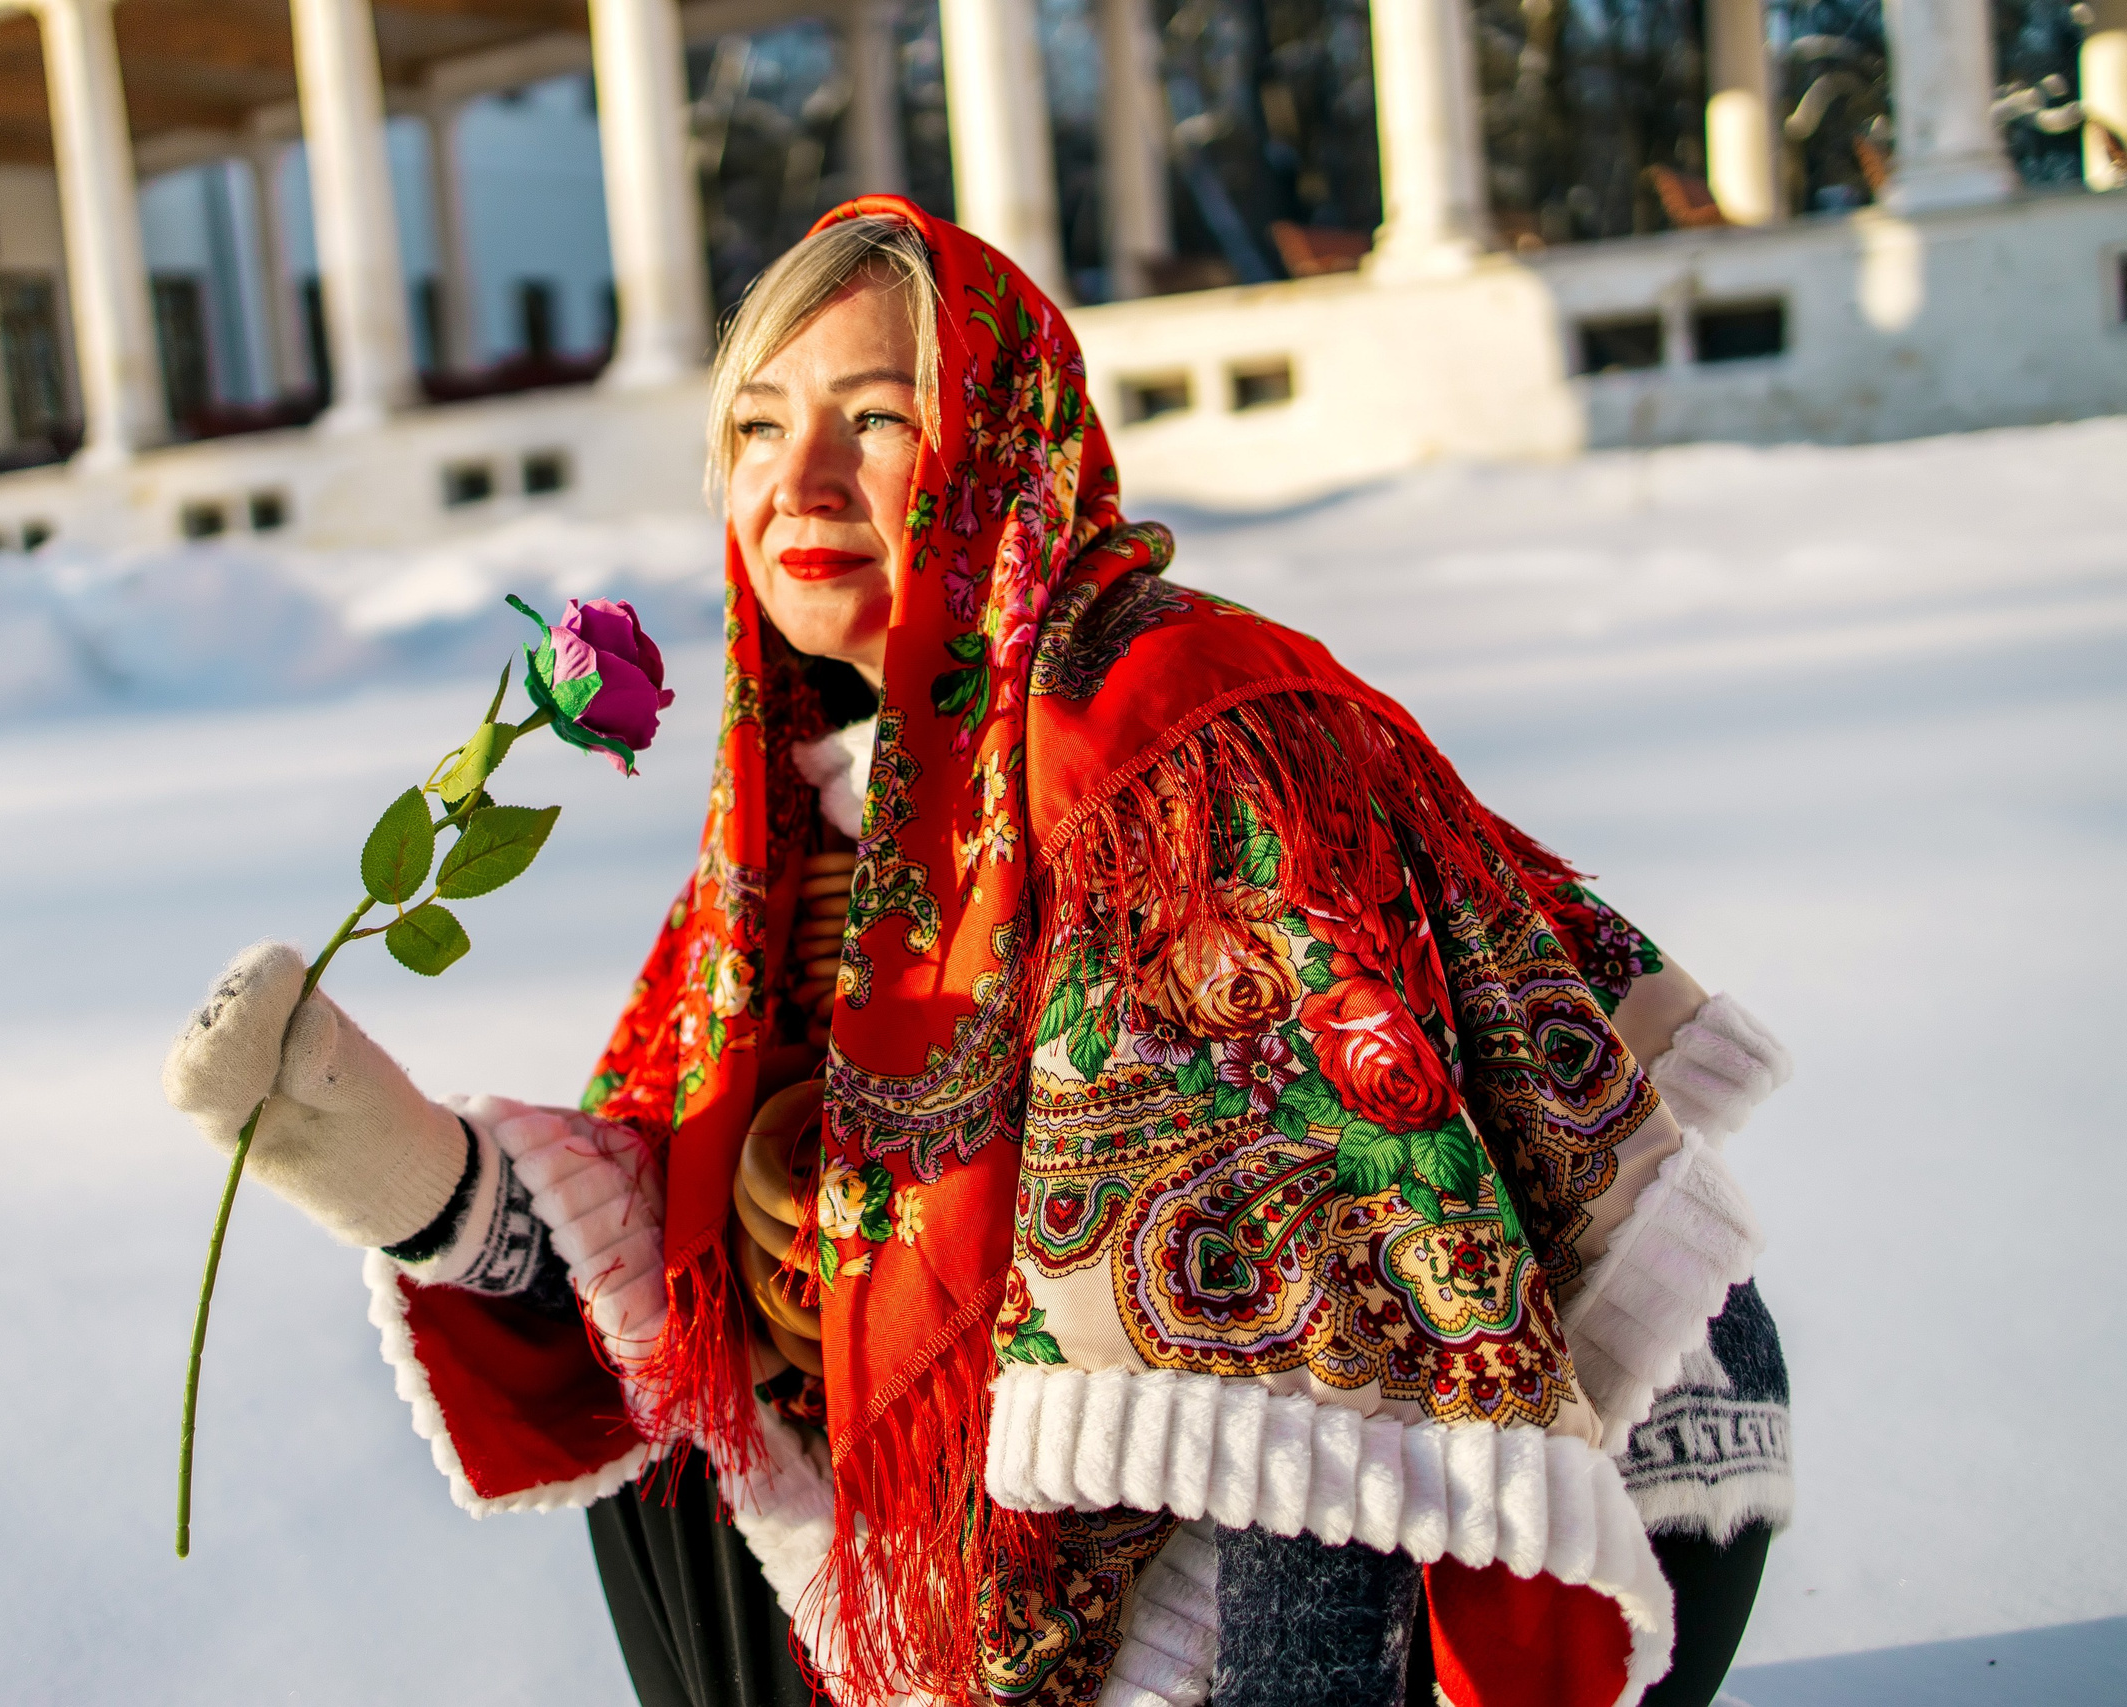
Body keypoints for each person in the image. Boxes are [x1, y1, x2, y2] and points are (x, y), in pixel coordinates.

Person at [162, 198, 1794, 1707]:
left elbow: (1329, 1339)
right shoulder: (803, 823)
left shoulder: (1171, 741)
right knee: (688, 1401)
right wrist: (421, 1181)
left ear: (1002, 449)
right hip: (1077, 1547)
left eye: (873, 420)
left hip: (1474, 1521)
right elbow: (669, 1236)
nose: (796, 486)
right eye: (753, 428)